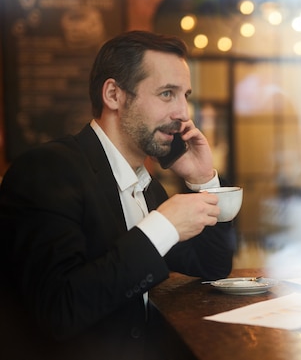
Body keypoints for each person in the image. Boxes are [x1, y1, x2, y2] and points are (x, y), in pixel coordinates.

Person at [0, 30, 237, 360]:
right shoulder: (46, 171)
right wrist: (162, 227)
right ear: (113, 95)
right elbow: (59, 311)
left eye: (185, 95)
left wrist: (202, 179)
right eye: (167, 94)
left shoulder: (148, 186)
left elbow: (212, 264)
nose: (183, 113)